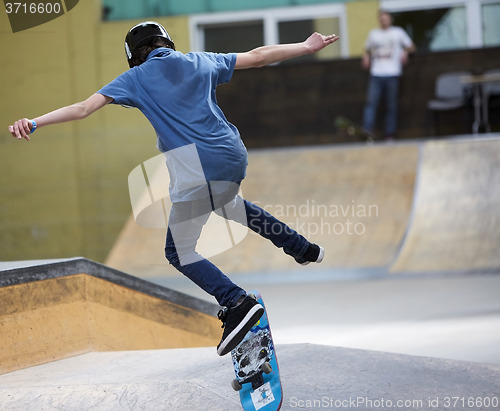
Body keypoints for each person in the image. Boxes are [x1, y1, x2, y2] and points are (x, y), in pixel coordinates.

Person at [9, 22, 338, 356]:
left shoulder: (133, 79)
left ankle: (236, 302)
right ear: (166, 42)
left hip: (198, 168)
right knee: (228, 204)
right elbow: (257, 56)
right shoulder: (199, 60)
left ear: (132, 57)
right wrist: (305, 47)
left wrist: (33, 122)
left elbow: (81, 109)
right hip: (233, 155)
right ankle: (302, 247)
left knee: (179, 251)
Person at [362, 10, 415, 140]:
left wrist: (405, 52)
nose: (383, 21)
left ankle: (389, 134)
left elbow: (412, 46)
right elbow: (366, 49)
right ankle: (366, 132)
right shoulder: (373, 34)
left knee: (391, 105)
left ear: (390, 19)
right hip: (376, 73)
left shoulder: (398, 32)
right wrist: (366, 57)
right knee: (371, 103)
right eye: (381, 18)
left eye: (386, 18)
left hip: (393, 73)